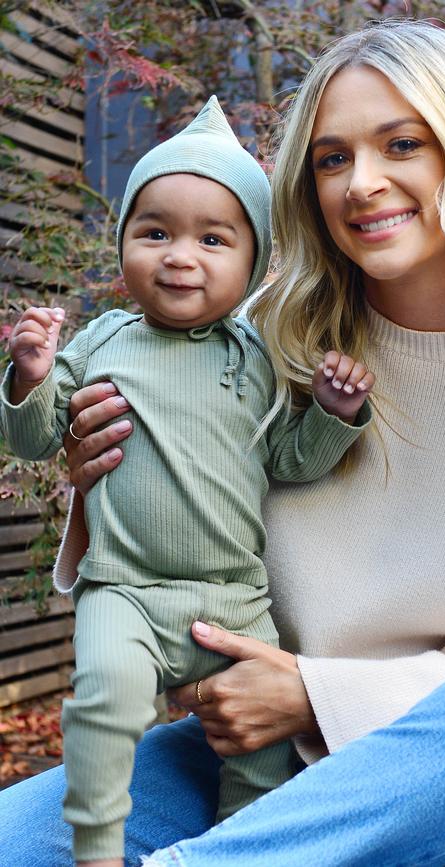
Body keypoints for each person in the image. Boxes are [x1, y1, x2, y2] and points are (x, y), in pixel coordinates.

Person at [1, 18, 445, 867]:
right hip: (266, 769)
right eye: (332, 158)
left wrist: (315, 693)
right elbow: (179, 564)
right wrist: (106, 475)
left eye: (402, 144)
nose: (361, 183)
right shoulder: (263, 344)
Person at [0, 96, 374, 867]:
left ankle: (240, 849)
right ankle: (97, 852)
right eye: (156, 232)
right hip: (124, 588)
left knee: (262, 755)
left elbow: (290, 462)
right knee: (103, 704)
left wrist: (334, 414)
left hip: (234, 597)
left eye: (213, 238)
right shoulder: (104, 340)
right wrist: (29, 375)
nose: (180, 255)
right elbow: (38, 436)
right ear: (123, 245)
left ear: (252, 261)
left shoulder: (258, 357)